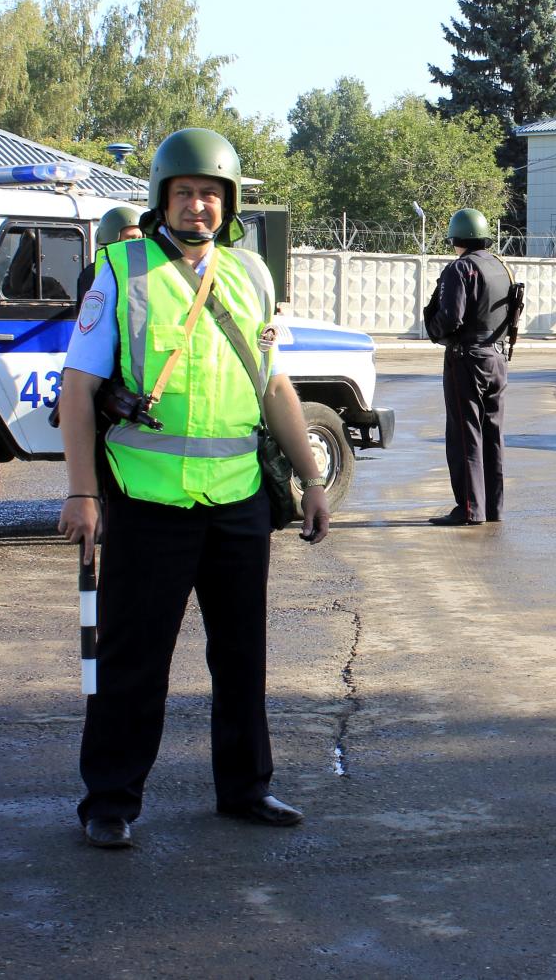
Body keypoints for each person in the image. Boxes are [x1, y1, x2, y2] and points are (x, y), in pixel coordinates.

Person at [57, 127, 332, 850]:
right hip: (149, 501)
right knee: (133, 658)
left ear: (229, 202)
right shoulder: (120, 269)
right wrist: (82, 493)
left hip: (238, 498)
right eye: (185, 192)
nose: (199, 206)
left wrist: (312, 477)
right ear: (161, 199)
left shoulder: (253, 276)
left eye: (211, 193)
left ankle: (246, 788)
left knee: (242, 654)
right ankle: (109, 800)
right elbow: (79, 388)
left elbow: (276, 387)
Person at [424, 207, 511, 526]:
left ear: (455, 237)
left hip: (467, 359)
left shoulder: (459, 269)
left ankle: (470, 508)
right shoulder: (501, 266)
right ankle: (493, 508)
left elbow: (450, 318)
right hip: (497, 357)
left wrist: (434, 330)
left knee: (465, 434)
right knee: (492, 433)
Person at [75, 204, 143, 298]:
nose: (136, 243)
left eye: (139, 238)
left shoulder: (147, 270)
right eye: (130, 238)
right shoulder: (92, 273)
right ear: (111, 238)